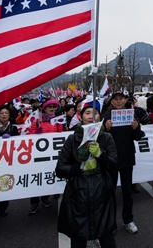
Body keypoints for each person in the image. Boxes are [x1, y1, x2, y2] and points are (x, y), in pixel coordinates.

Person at [56, 106, 118, 247]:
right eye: (87, 113)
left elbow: (114, 164)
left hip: (102, 194)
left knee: (107, 239)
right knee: (78, 239)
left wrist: (100, 155)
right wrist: (80, 167)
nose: (91, 116)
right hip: (78, 196)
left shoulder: (107, 138)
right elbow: (60, 169)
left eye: (95, 113)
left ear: (99, 117)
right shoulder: (72, 140)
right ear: (81, 117)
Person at [101, 91, 144, 234]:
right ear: (111, 102)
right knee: (109, 192)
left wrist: (135, 128)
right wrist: (105, 129)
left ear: (125, 100)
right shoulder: (106, 118)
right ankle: (110, 221)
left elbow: (139, 137)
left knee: (127, 192)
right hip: (110, 160)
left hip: (127, 158)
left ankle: (128, 220)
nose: (119, 101)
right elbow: (98, 139)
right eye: (116, 99)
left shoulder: (132, 116)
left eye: (121, 99)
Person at [28, 98, 64, 215]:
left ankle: (45, 198)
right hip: (39, 154)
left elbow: (60, 135)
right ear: (44, 109)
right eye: (49, 107)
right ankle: (34, 202)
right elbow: (30, 136)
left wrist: (61, 127)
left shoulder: (57, 121)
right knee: (37, 176)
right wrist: (36, 132)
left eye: (54, 107)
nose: (52, 109)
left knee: (48, 175)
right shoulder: (37, 121)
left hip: (51, 154)